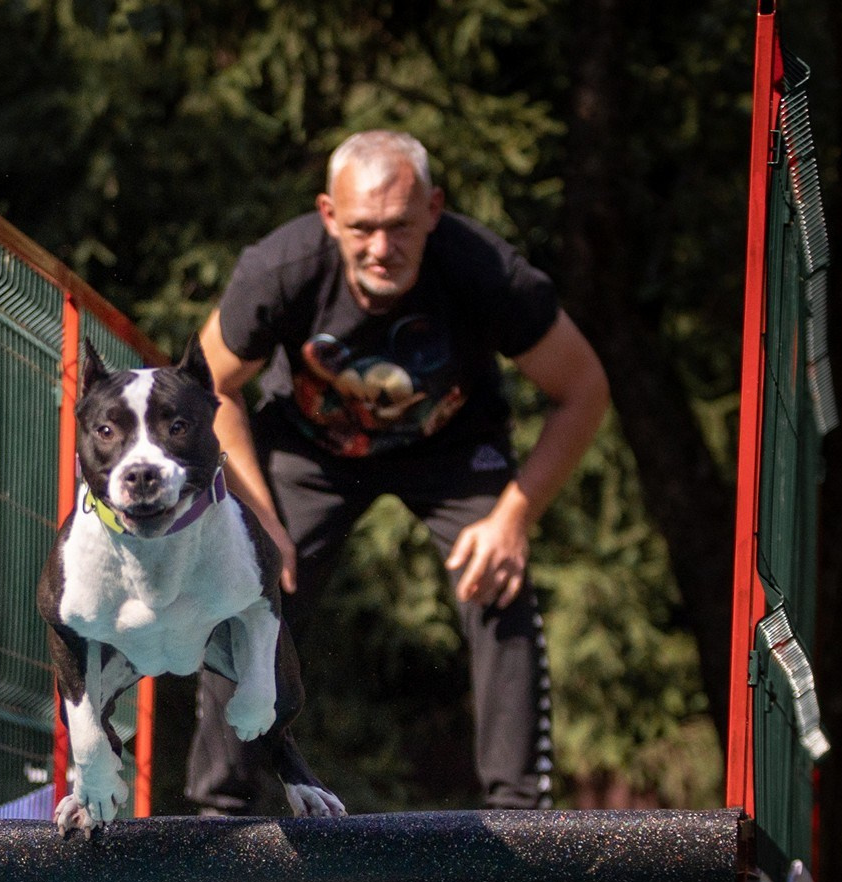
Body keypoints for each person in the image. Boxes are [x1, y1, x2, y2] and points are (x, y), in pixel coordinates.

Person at [187, 130, 610, 813]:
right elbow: (210, 389)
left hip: (452, 449)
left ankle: (519, 810)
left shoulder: (486, 273)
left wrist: (513, 518)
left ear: (434, 210)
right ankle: (221, 808)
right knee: (248, 575)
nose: (381, 248)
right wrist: (261, 517)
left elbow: (584, 387)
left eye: (400, 228)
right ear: (329, 216)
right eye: (362, 228)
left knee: (498, 575)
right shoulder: (282, 269)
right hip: (308, 449)